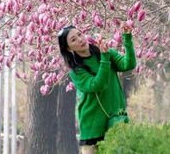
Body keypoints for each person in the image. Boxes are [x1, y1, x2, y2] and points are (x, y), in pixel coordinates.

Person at [57, 22, 136, 154]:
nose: (80, 39)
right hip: (92, 126)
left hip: (116, 119)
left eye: (79, 34)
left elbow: (128, 64)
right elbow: (97, 85)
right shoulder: (76, 70)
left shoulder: (107, 53)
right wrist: (104, 58)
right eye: (73, 40)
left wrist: (127, 38)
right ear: (69, 49)